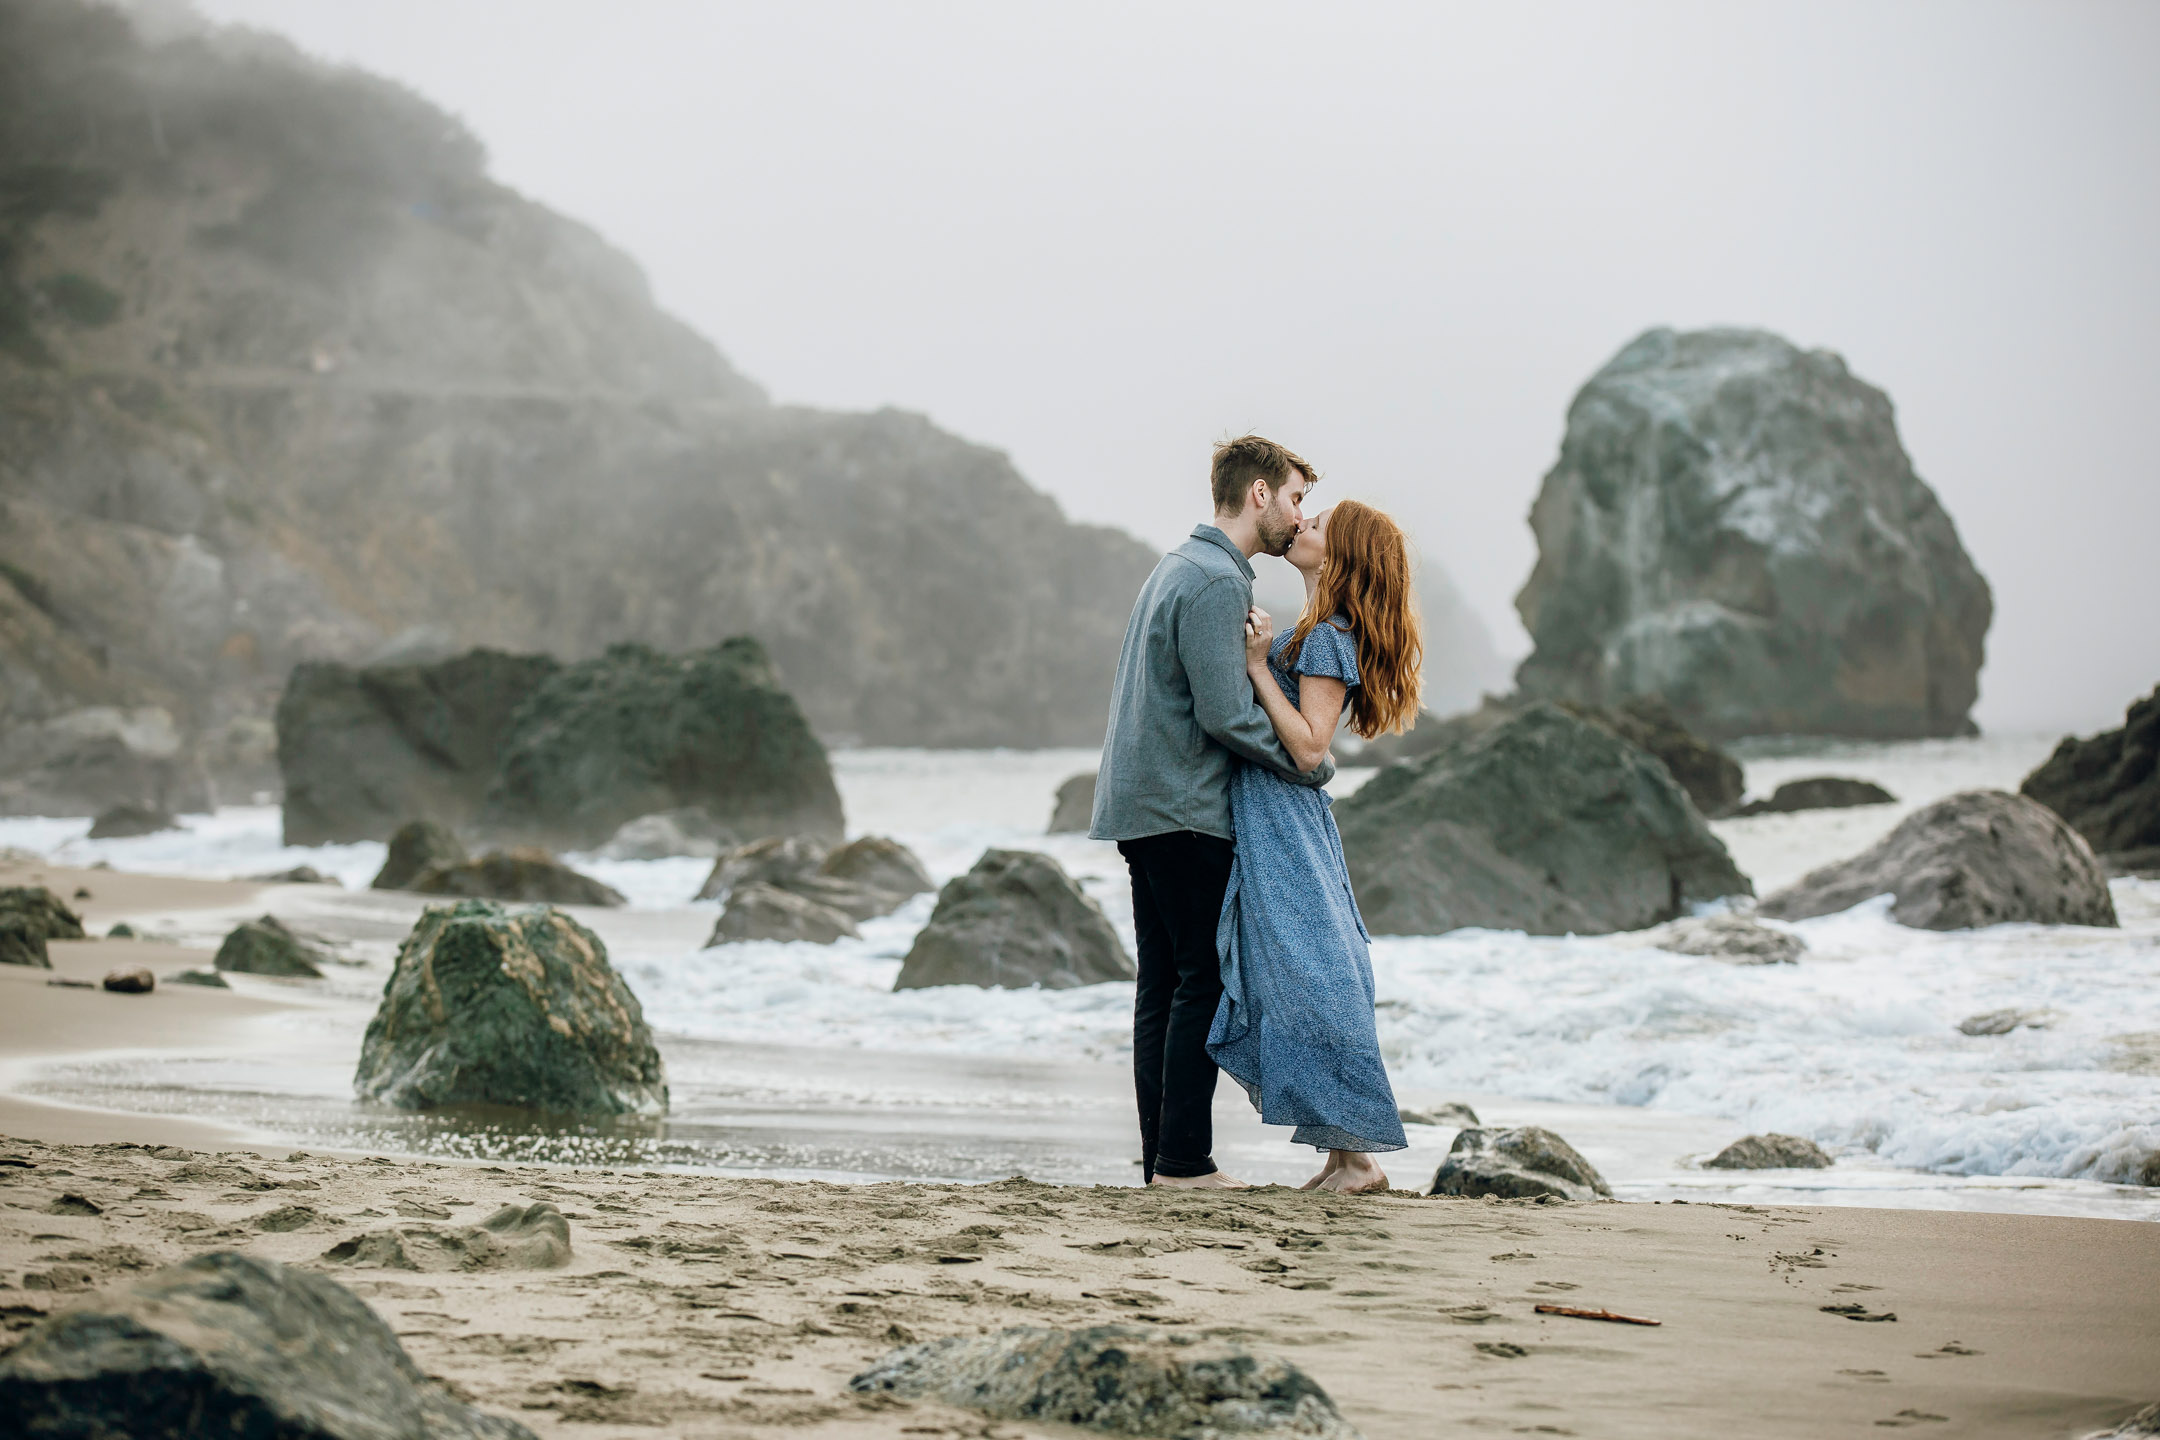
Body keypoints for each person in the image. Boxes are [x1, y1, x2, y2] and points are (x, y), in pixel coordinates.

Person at [1090, 436, 1336, 1189]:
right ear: (1258, 493)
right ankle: (1184, 1164)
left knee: (1164, 985)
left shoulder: (1177, 566)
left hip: (1143, 806)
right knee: (1203, 982)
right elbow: (1226, 714)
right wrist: (1311, 763)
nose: (1298, 518)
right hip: (1185, 810)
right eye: (1294, 498)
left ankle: (1163, 1164)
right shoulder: (1216, 582)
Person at [1208, 500, 1422, 1193]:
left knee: (1312, 971)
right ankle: (1343, 1159)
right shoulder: (1317, 628)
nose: (1302, 525)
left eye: (1319, 525)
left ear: (1342, 556)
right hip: (1277, 815)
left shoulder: (1329, 636)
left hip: (1286, 817)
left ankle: (1358, 1160)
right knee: (1305, 968)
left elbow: (1308, 747)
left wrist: (1256, 665)